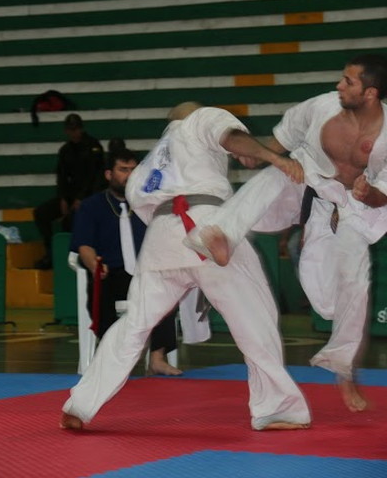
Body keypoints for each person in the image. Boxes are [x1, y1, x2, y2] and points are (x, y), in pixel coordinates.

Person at [60, 101, 311, 431]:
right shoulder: (199, 120)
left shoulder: (149, 166)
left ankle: (80, 403)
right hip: (206, 224)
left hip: (161, 239)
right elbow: (231, 138)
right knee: (255, 319)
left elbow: (143, 211)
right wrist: (274, 157)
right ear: (192, 113)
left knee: (133, 325)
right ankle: (278, 409)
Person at [184, 53, 387, 413]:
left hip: (353, 210)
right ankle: (221, 234)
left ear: (370, 93)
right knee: (276, 174)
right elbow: (284, 137)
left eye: (348, 81)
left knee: (345, 290)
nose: (339, 85)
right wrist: (263, 155)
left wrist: (367, 193)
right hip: (307, 182)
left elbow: (382, 196)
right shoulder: (321, 108)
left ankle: (342, 367)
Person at [71, 147, 181, 375]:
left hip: (145, 271)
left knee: (168, 289)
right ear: (108, 174)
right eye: (123, 170)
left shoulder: (149, 204)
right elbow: (83, 246)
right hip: (110, 272)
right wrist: (94, 265)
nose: (129, 175)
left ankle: (157, 357)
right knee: (103, 292)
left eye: (133, 170)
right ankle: (116, 357)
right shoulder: (91, 206)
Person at [34, 113, 104, 269]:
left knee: (71, 220)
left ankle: (73, 256)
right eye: (71, 129)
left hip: (89, 197)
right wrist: (63, 198)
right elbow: (62, 176)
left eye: (76, 129)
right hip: (70, 196)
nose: (74, 133)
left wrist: (82, 198)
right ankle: (51, 253)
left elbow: (95, 177)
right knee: (41, 213)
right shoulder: (66, 150)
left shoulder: (93, 147)